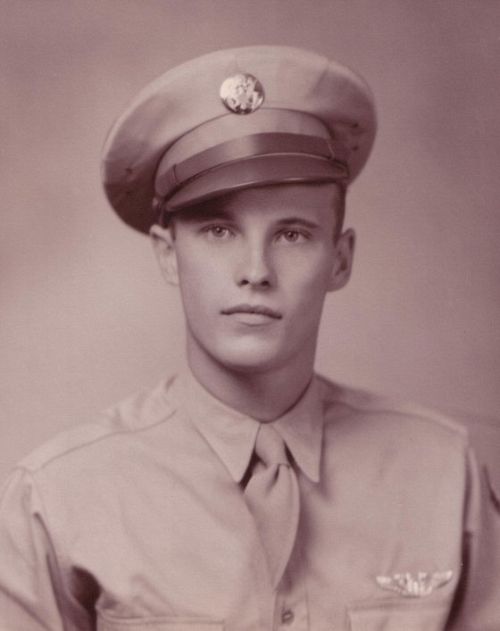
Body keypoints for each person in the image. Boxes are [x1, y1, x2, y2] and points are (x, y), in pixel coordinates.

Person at [0, 45, 498, 631]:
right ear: (168, 254)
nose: (255, 270)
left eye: (292, 234)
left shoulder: (442, 474)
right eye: (218, 230)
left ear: (339, 259)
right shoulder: (59, 497)